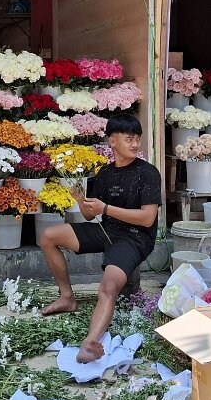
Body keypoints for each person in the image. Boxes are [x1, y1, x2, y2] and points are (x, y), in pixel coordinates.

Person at [39, 114, 162, 363]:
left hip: (134, 238)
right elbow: (89, 215)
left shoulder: (148, 173)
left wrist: (105, 209)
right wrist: (79, 199)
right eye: (129, 139)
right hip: (106, 230)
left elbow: (148, 218)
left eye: (137, 139)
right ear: (112, 141)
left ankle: (90, 343)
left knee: (107, 289)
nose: (135, 144)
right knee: (49, 236)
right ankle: (67, 298)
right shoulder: (105, 173)